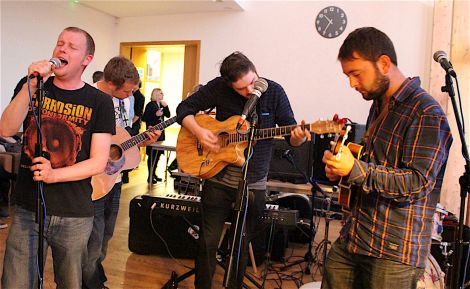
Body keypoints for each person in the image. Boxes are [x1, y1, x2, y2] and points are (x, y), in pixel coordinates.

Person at [321, 27, 453, 289]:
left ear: (383, 63)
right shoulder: (380, 104)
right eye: (348, 76)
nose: (352, 84)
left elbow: (417, 183)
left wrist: (356, 169)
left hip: (394, 251)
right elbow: (375, 166)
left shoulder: (426, 111)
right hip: (356, 236)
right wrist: (342, 170)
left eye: (356, 74)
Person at [175, 51, 310, 289]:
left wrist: (299, 138)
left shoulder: (274, 92)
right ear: (229, 85)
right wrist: (199, 132)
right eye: (241, 89)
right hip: (217, 176)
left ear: (255, 71)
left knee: (240, 244)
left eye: (251, 82)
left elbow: (292, 136)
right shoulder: (218, 87)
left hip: (253, 183)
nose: (249, 91)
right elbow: (183, 109)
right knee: (207, 242)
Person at [0, 27, 115, 289]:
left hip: (74, 213)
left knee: (70, 283)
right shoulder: (32, 85)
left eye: (72, 47)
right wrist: (29, 84)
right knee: (15, 283)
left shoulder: (99, 102)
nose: (62, 49)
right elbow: (5, 129)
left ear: (87, 59)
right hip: (27, 209)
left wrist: (54, 175)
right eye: (60, 43)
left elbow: (98, 162)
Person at [83, 56, 160, 289]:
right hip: (94, 181)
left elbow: (121, 139)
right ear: (110, 84)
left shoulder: (124, 101)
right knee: (93, 240)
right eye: (126, 91)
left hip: (114, 181)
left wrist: (141, 142)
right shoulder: (89, 99)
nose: (130, 96)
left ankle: (94, 280)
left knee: (105, 237)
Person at [142, 88, 170, 184]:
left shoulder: (161, 104)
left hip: (160, 134)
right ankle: (150, 176)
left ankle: (154, 174)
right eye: (161, 93)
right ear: (156, 95)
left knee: (157, 155)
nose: (163, 94)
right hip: (152, 133)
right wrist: (155, 114)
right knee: (152, 155)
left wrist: (166, 106)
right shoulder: (151, 104)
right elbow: (145, 117)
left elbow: (168, 115)